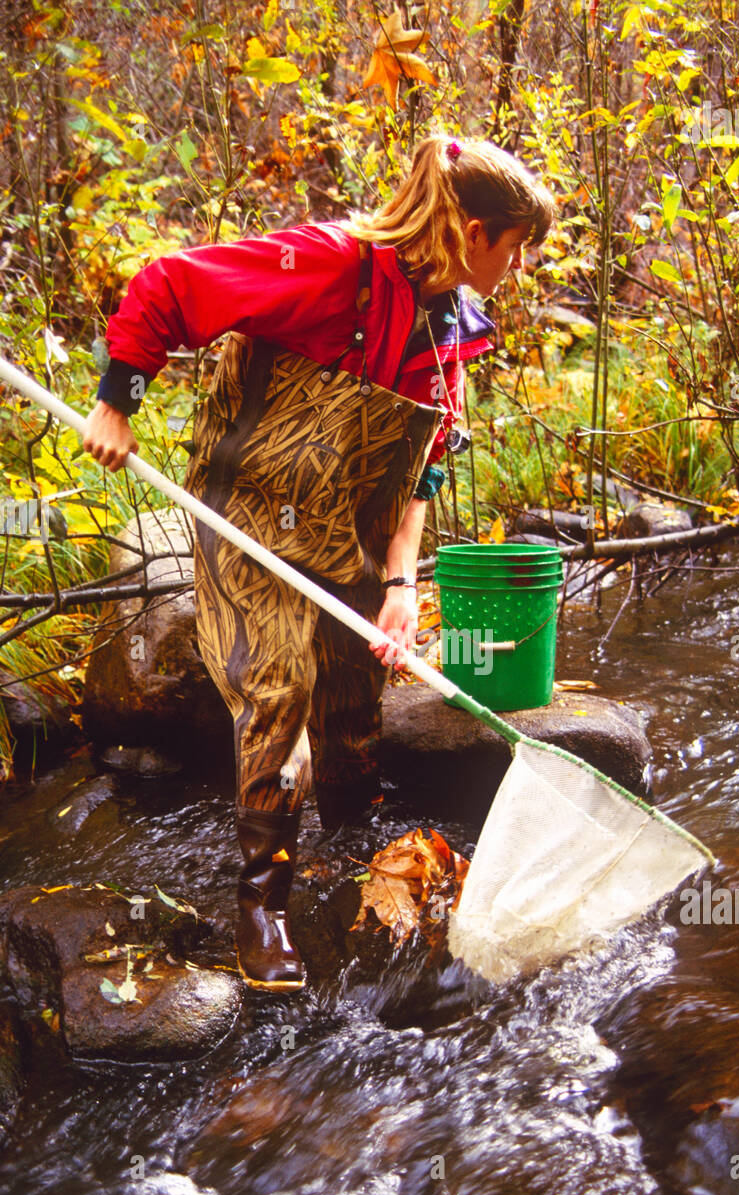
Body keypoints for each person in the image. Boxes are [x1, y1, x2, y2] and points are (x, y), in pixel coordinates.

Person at [82, 134, 554, 992]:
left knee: (350, 694)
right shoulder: (329, 265)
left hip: (352, 529)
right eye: (517, 248)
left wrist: (403, 583)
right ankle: (262, 904)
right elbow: (168, 284)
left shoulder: (451, 326)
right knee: (279, 685)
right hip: (253, 510)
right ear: (478, 231)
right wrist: (120, 399)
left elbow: (425, 464)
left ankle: (352, 836)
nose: (517, 268)